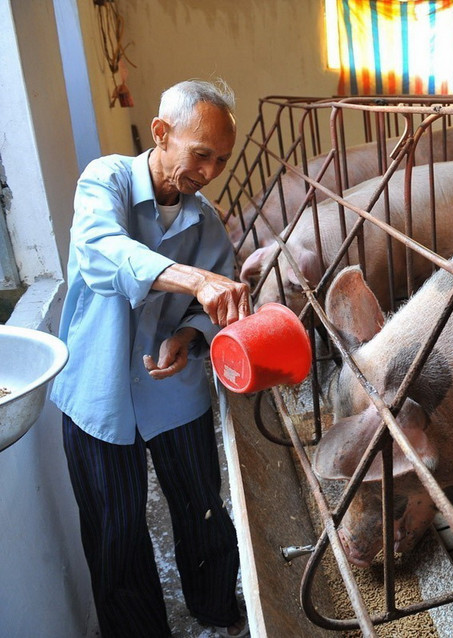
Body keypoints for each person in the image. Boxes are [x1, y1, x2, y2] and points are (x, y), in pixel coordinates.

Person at [51, 79, 251, 638]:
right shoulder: (104, 181)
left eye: (220, 160)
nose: (209, 171)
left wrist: (187, 337)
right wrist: (196, 281)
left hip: (172, 386)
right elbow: (102, 253)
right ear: (161, 133)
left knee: (201, 508)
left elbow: (218, 299)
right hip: (100, 387)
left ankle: (216, 607)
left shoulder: (203, 218)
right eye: (200, 154)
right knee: (116, 530)